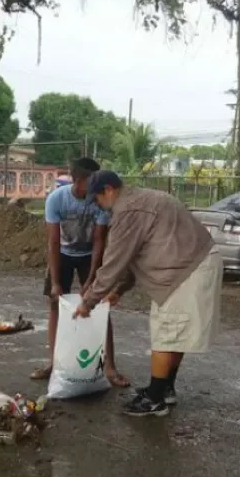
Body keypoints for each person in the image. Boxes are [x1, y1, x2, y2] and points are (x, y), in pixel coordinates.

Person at [75, 170, 223, 417]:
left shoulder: (129, 211)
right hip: (193, 265)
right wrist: (119, 291)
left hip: (186, 271)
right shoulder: (142, 199)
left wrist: (88, 302)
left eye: (98, 199)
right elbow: (136, 255)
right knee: (175, 334)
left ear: (109, 190)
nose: (100, 206)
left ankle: (155, 400)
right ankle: (163, 388)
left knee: (166, 333)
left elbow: (114, 263)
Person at [30, 158, 128, 388]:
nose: (96, 186)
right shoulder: (57, 199)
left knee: (101, 306)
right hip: (62, 254)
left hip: (89, 255)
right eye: (91, 181)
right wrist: (55, 282)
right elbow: (53, 242)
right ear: (78, 180)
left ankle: (110, 367)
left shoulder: (98, 201)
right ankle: (53, 363)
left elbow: (99, 241)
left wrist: (93, 279)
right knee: (55, 304)